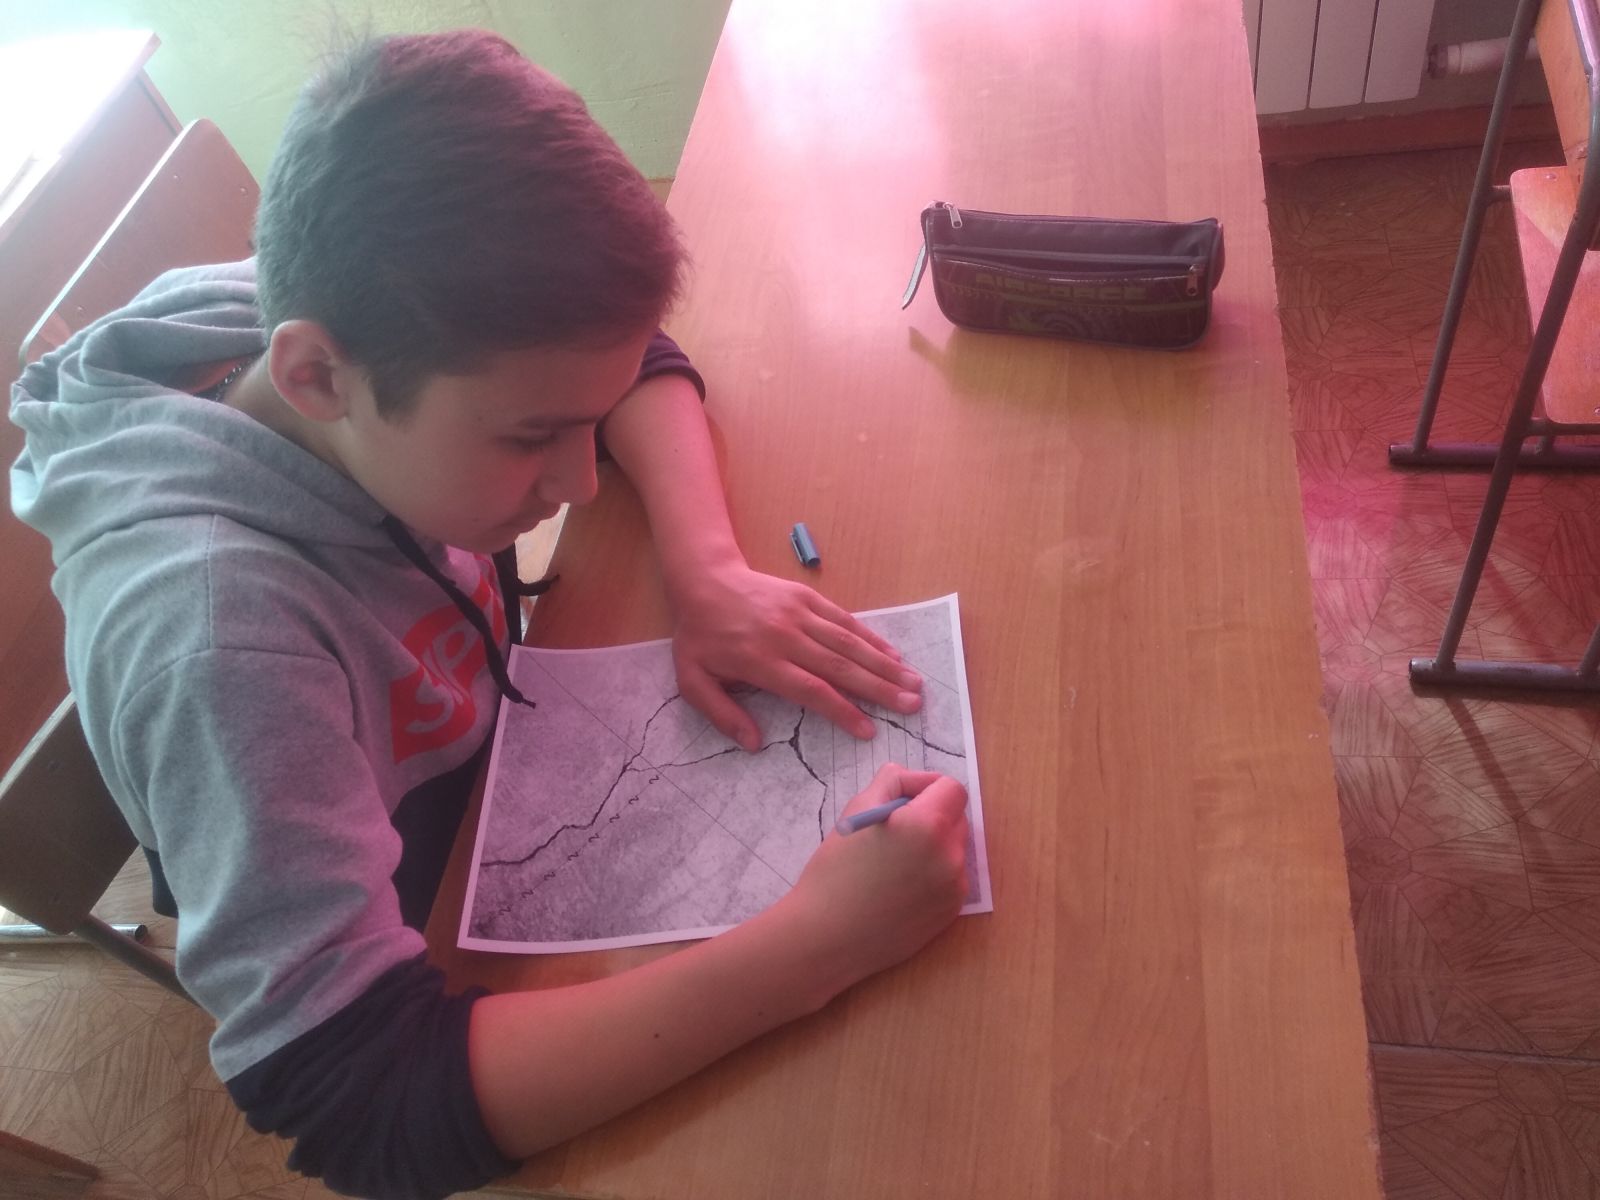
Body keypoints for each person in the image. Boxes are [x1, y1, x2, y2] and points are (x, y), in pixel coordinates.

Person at [8, 28, 970, 1200]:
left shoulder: (323, 329)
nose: (581, 483)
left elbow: (621, 353)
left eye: (585, 426)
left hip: (495, 754)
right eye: (531, 438)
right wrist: (819, 947)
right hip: (407, 889)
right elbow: (356, 1098)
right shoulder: (221, 649)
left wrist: (707, 567)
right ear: (316, 378)